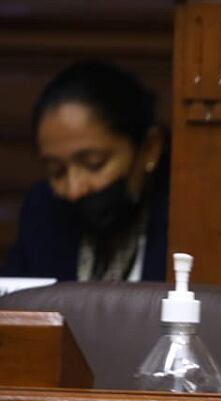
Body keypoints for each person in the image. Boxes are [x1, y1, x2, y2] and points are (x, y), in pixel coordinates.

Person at [1, 60, 169, 281]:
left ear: (149, 149)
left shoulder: (186, 217)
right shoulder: (43, 211)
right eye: (57, 171)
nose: (74, 189)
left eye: (94, 163)